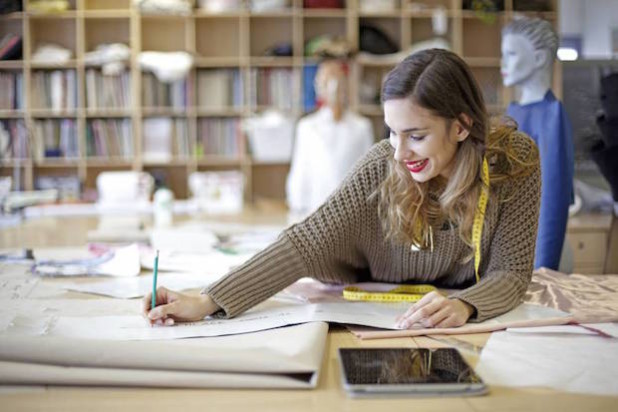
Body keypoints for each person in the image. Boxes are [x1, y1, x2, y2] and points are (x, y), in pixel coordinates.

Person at [143, 49, 540, 330]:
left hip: (457, 323)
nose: (399, 153)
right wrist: (206, 300)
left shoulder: (512, 163)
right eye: (392, 131)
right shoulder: (382, 164)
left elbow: (510, 271)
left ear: (461, 125)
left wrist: (468, 304)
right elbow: (303, 243)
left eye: (416, 136)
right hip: (373, 302)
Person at [501, 16, 574, 271]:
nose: (503, 63)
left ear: (540, 58)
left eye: (511, 54)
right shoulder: (513, 111)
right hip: (513, 251)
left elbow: (554, 198)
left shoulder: (551, 114)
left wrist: (544, 269)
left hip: (540, 254)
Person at [286, 60, 374, 217]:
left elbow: (370, 174)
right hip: (315, 211)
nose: (333, 88)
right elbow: (300, 172)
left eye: (338, 81)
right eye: (327, 82)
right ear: (318, 86)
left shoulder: (361, 127)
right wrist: (297, 210)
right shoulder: (307, 127)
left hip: (353, 213)